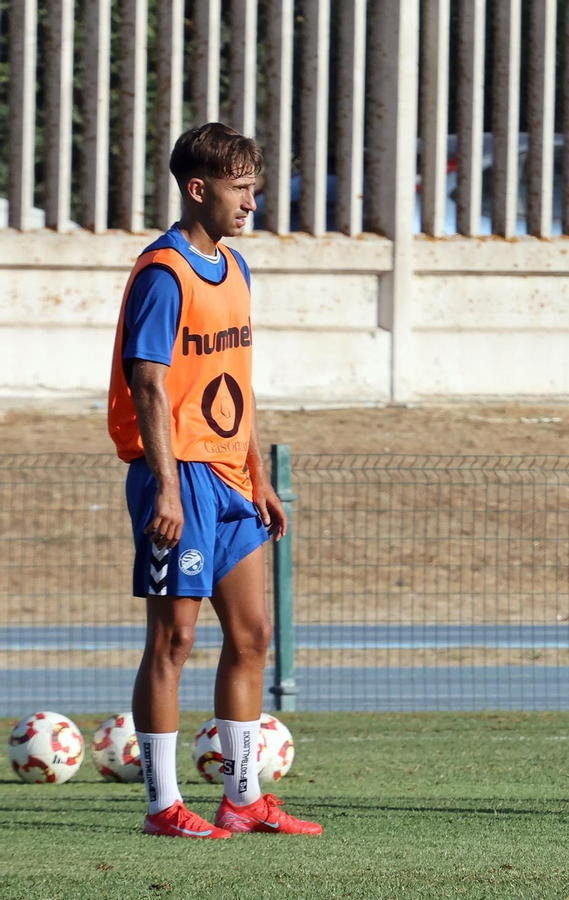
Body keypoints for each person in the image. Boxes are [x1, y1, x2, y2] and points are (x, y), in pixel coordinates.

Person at [108, 123, 320, 839]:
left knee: (253, 634)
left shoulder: (236, 268)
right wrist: (165, 487)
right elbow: (147, 383)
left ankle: (242, 795)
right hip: (180, 476)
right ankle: (163, 805)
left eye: (254, 190)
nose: (252, 204)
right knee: (173, 641)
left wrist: (258, 474)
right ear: (197, 190)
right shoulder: (164, 272)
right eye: (240, 190)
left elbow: (237, 384)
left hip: (231, 479)